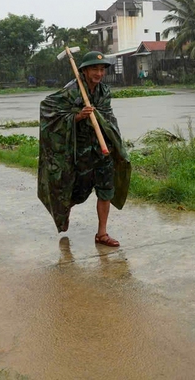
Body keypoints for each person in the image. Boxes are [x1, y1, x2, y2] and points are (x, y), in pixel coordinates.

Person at [38, 51, 131, 247]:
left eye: (101, 69)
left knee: (106, 189)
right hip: (79, 152)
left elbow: (108, 117)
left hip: (101, 149)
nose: (99, 73)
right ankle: (63, 215)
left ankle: (102, 233)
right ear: (84, 70)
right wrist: (77, 116)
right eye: (94, 69)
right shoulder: (71, 91)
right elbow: (48, 110)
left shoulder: (104, 91)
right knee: (75, 192)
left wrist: (113, 141)